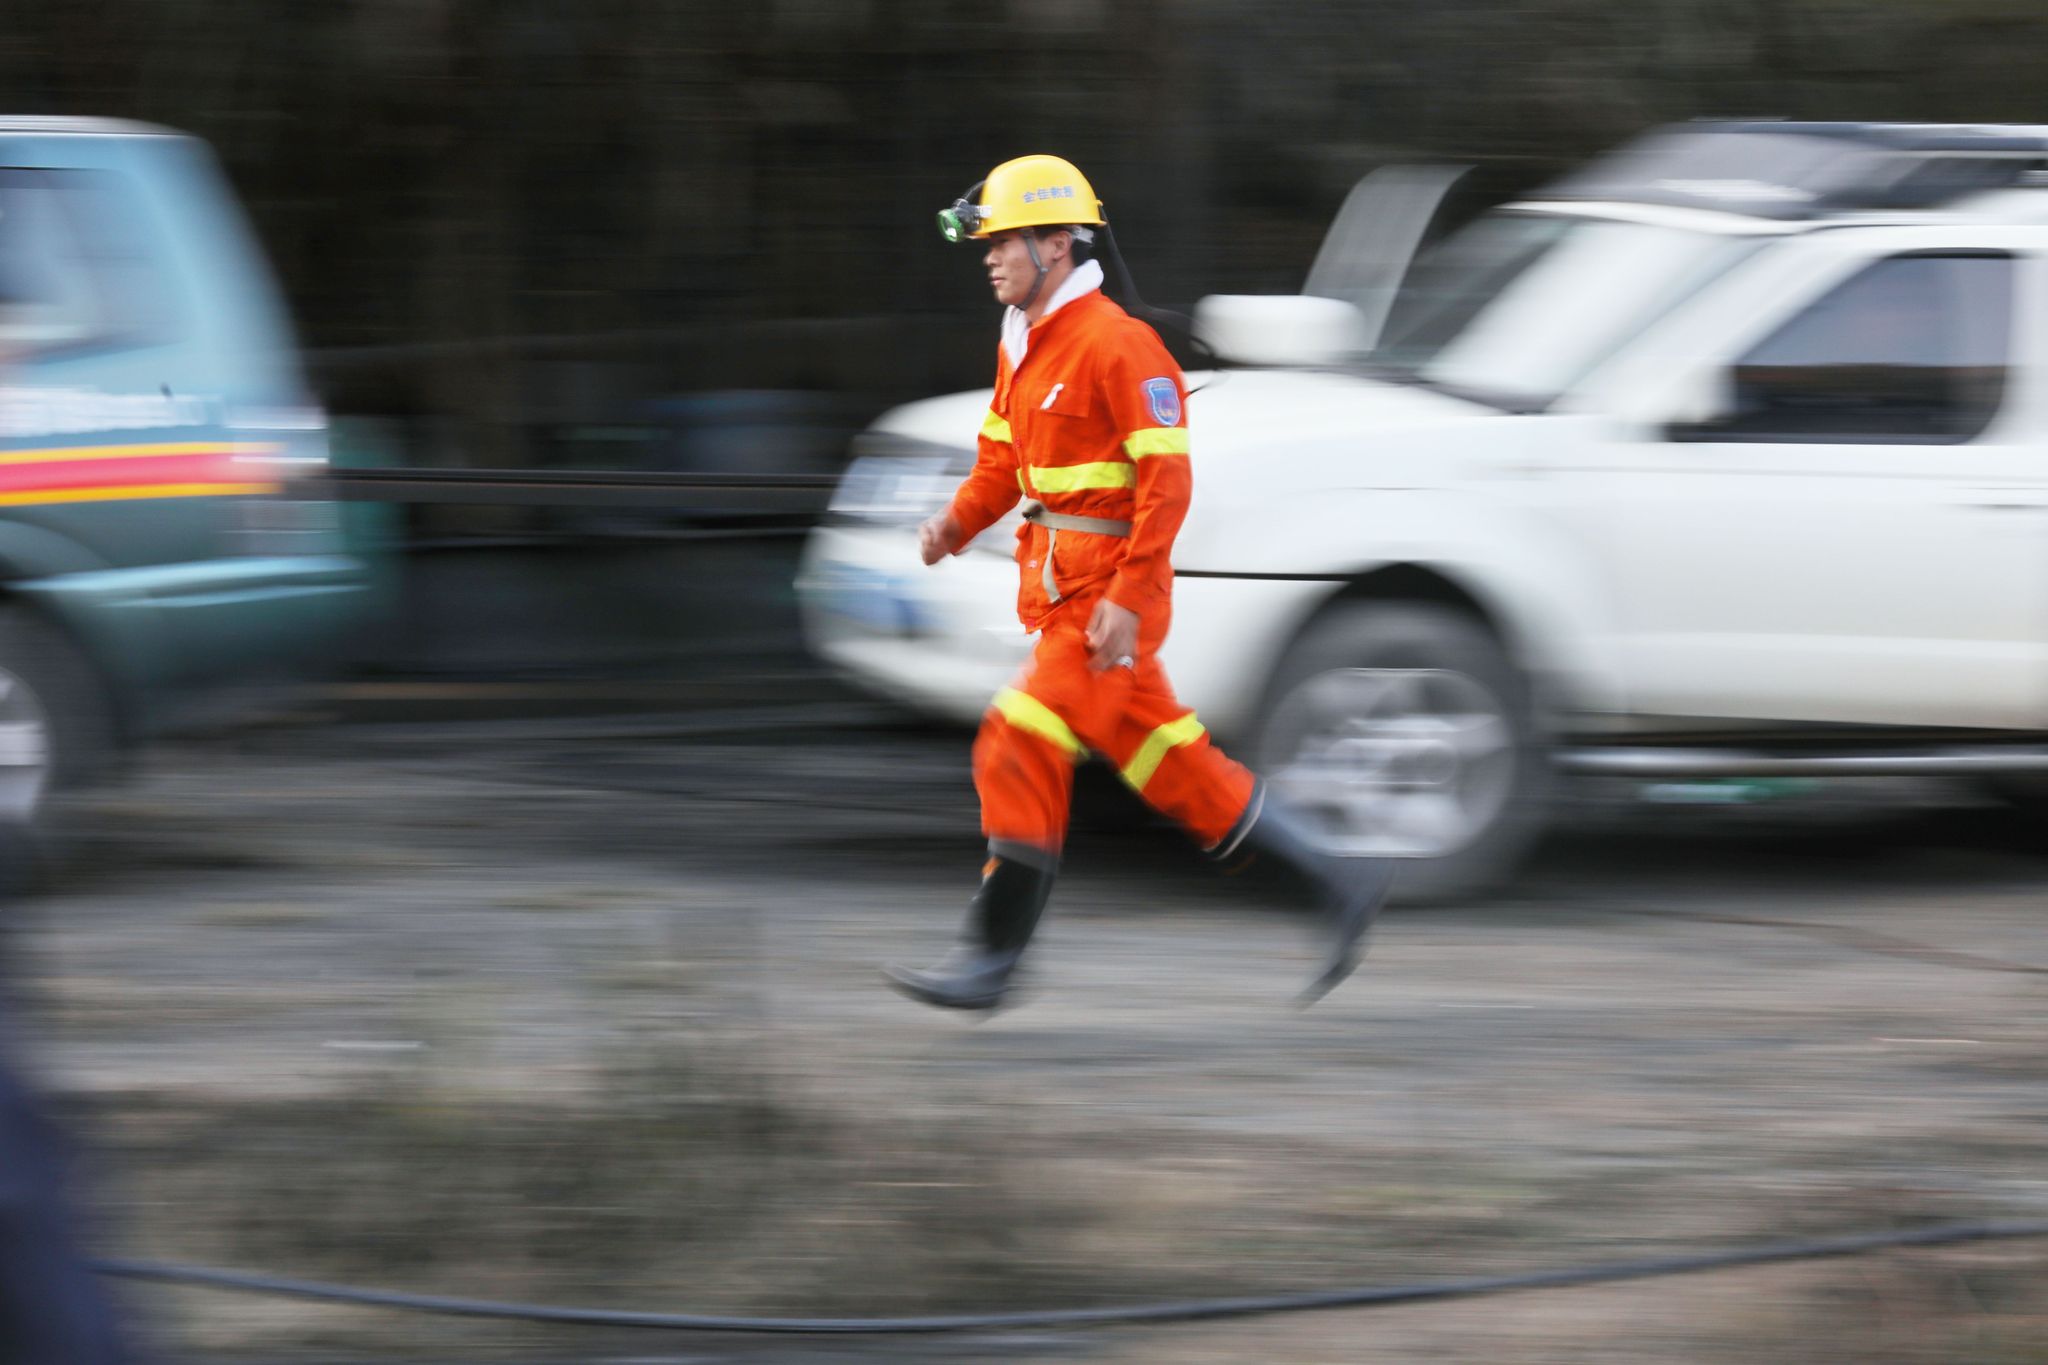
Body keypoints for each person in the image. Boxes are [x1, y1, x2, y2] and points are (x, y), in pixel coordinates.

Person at [885, 154, 1392, 1011]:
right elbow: (1002, 465)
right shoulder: (1023, 346)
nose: (990, 255)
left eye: (1006, 240)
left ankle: (991, 956)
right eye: (990, 242)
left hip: (1107, 602)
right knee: (1173, 765)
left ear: (1058, 242)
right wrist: (953, 525)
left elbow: (1168, 486)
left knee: (1015, 738)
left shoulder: (1120, 345)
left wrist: (1124, 600)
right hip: (1060, 600)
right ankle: (1341, 881)